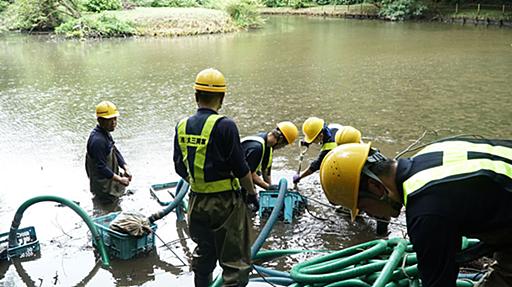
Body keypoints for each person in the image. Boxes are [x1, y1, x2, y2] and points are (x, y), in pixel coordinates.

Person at [319, 138, 512, 287]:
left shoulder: (425, 213)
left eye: (363, 207)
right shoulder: (429, 153)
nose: (368, 215)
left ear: (376, 188)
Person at [173, 68, 257, 287]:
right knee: (234, 264)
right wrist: (251, 192)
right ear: (221, 98)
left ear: (196, 96)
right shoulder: (225, 125)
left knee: (204, 254)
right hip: (224, 204)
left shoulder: (181, 126)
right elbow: (241, 168)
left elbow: (179, 167)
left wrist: (200, 182)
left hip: (196, 203)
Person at [241, 121, 299, 210]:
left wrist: (273, 192)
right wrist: (268, 187)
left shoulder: (268, 146)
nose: (282, 147)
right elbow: (249, 174)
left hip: (245, 181)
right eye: (284, 145)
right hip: (234, 181)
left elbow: (266, 172)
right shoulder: (257, 147)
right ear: (280, 139)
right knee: (242, 208)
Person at [85, 100, 131, 204]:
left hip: (110, 182)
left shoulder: (105, 133)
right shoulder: (98, 141)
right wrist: (120, 179)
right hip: (103, 187)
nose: (114, 122)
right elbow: (101, 167)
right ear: (100, 120)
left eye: (115, 119)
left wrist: (125, 167)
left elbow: (115, 151)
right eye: (110, 119)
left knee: (115, 204)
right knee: (107, 207)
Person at [292, 117, 341, 185]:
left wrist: (300, 177)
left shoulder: (328, 148)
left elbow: (314, 166)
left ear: (320, 136)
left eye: (313, 140)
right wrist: (308, 142)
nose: (313, 142)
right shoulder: (333, 127)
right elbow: (320, 138)